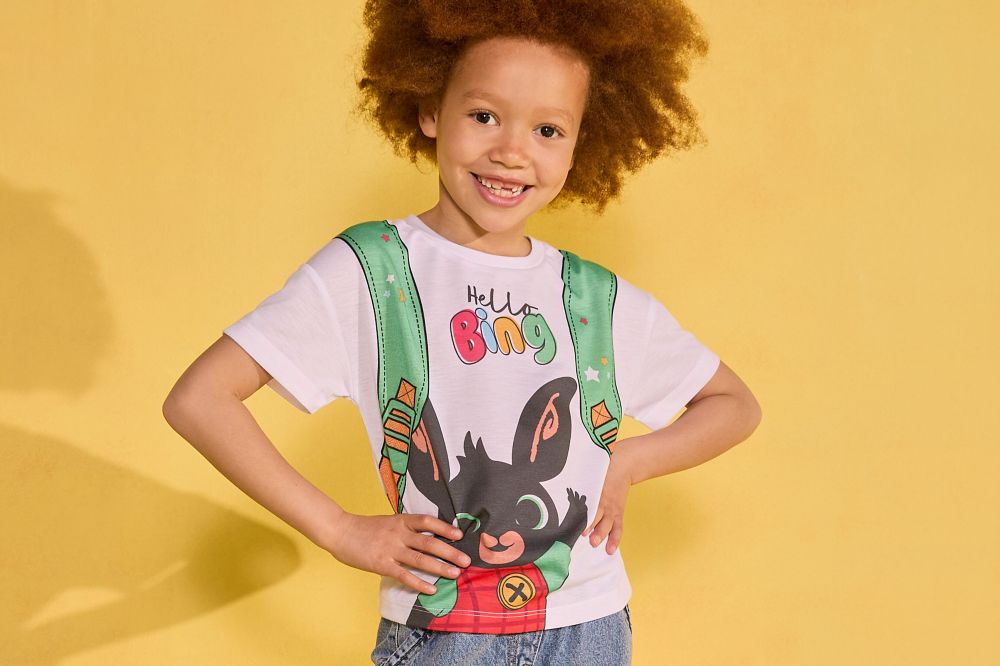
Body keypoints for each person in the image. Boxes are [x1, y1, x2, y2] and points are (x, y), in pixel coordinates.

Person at [163, 1, 762, 664]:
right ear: (430, 109)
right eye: (484, 116)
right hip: (445, 637)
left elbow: (735, 405)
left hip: (590, 630)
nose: (511, 151)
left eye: (548, 130)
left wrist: (628, 460)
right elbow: (200, 399)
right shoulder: (375, 270)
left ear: (580, 143)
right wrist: (337, 530)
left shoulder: (595, 298)